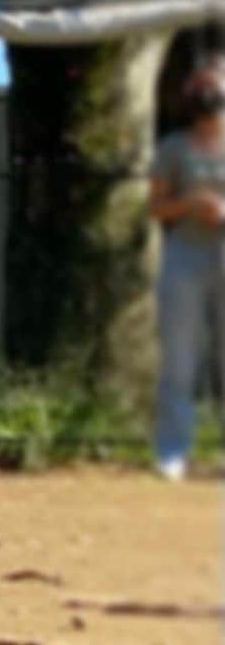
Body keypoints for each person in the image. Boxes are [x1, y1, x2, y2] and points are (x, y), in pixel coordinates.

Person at [149, 64, 225, 480]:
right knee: (179, 359)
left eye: (215, 81)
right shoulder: (174, 147)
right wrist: (190, 204)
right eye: (201, 83)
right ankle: (173, 452)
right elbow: (155, 207)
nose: (207, 89)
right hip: (184, 258)